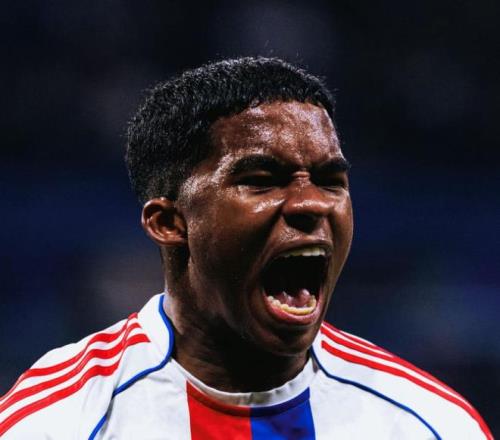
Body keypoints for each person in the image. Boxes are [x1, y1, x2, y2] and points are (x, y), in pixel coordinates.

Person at [0, 57, 492, 439]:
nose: (311, 203)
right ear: (170, 223)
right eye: (261, 180)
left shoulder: (427, 424)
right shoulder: (59, 421)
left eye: (330, 180)